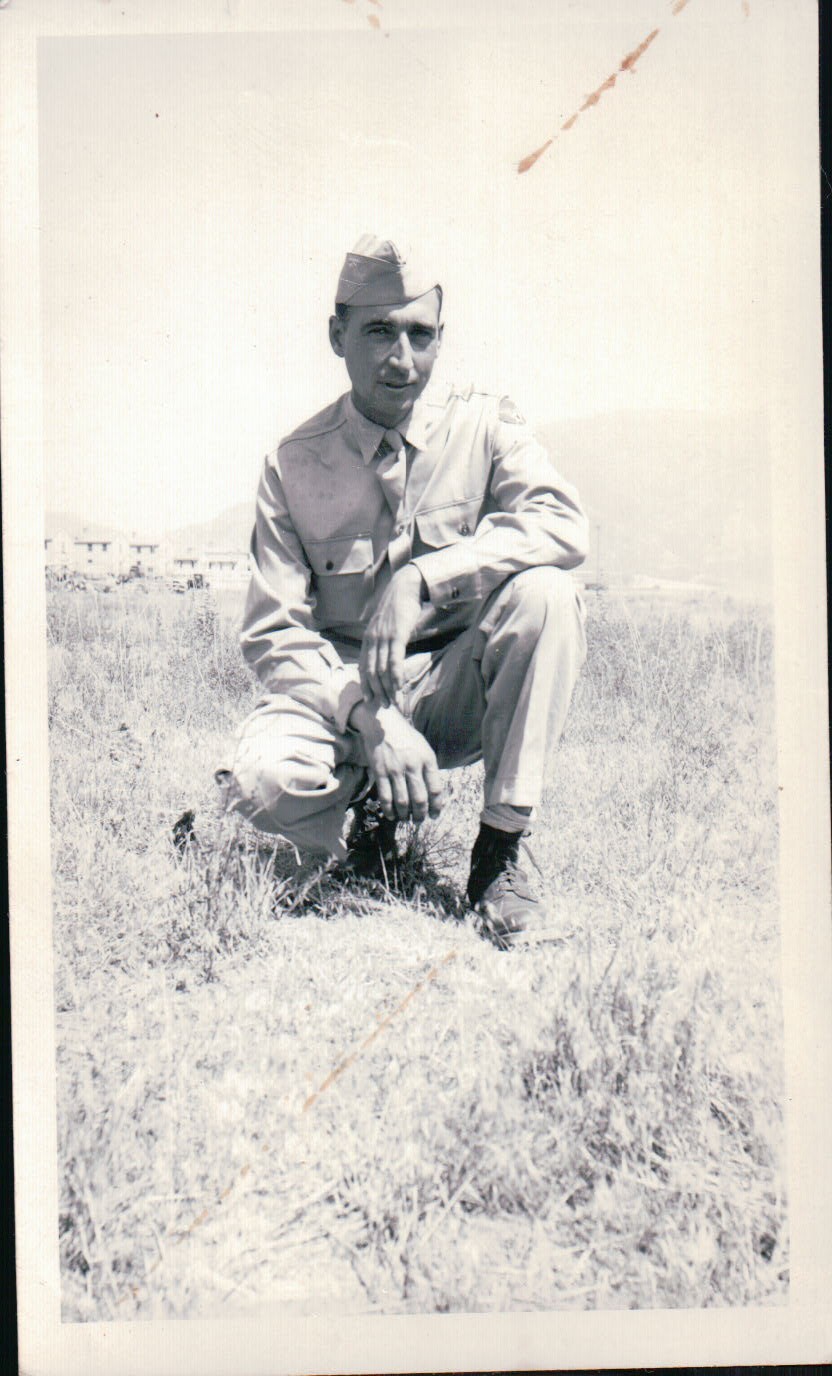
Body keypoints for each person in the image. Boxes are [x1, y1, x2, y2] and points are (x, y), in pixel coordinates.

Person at [217, 234, 588, 946]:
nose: (401, 358)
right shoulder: (294, 464)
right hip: (341, 702)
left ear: (441, 340)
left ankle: (500, 854)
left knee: (547, 594)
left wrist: (425, 575)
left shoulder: (484, 425)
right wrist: (368, 719)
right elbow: (275, 634)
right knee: (260, 790)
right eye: (379, 331)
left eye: (421, 335)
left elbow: (563, 525)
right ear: (338, 335)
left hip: (449, 688)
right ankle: (364, 824)